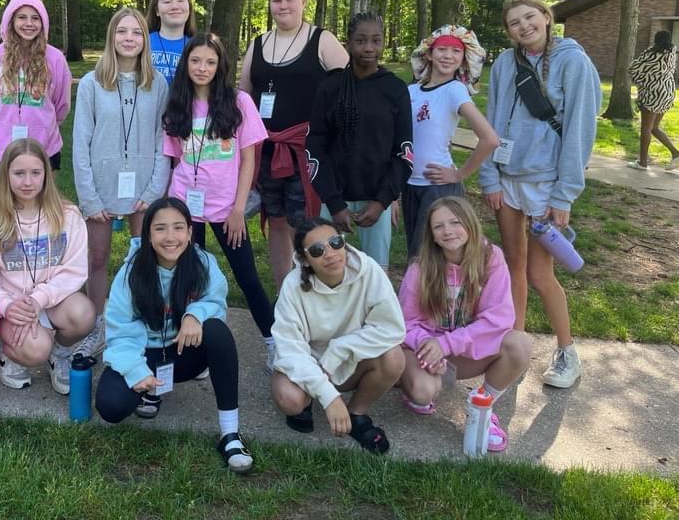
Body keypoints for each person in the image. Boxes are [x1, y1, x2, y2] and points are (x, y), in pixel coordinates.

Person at [479, 0, 601, 389]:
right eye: (514, 22)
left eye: (530, 17)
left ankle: (567, 352)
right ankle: (515, 351)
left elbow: (580, 130)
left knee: (538, 273)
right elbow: (492, 122)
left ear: (547, 17)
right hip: (507, 180)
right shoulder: (504, 63)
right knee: (512, 264)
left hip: (547, 185)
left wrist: (564, 195)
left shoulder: (572, 61)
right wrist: (490, 177)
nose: (524, 26)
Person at [95, 198, 254, 474]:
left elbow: (216, 302)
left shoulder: (203, 263)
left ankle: (230, 435)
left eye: (178, 227)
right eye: (160, 229)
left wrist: (195, 314)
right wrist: (136, 370)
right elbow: (120, 331)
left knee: (217, 332)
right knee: (111, 406)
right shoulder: (131, 272)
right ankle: (151, 390)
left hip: (184, 352)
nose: (170, 237)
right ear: (147, 235)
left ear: (190, 232)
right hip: (146, 353)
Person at [163, 33, 275, 368]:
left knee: (247, 277)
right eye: (196, 60)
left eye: (210, 62)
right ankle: (192, 347)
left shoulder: (239, 102)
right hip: (186, 206)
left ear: (220, 66)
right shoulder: (177, 103)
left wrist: (239, 209)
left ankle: (274, 342)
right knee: (188, 279)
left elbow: (249, 160)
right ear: (186, 63)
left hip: (227, 209)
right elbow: (174, 160)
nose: (202, 68)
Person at [239, 0, 349, 294]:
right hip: (267, 149)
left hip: (306, 150)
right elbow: (244, 95)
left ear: (303, 1)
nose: (283, 6)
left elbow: (349, 90)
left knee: (305, 224)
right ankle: (285, 292)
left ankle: (313, 290)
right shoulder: (259, 44)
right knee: (276, 221)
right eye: (277, 0)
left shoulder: (321, 40)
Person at [72, 7, 170, 358]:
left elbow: (162, 141)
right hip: (101, 185)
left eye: (137, 32)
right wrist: (89, 198)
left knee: (145, 257)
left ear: (145, 39)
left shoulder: (157, 84)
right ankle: (96, 325)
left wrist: (154, 190)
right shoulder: (91, 83)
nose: (129, 38)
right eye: (122, 31)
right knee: (97, 258)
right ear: (111, 37)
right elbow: (81, 143)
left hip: (143, 187)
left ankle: (141, 324)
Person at [397, 197, 531, 452]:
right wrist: (427, 345)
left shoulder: (490, 258)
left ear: (470, 223)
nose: (447, 231)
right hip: (427, 352)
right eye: (438, 226)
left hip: (464, 351)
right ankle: (411, 384)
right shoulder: (420, 268)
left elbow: (499, 319)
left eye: (455, 222)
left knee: (519, 344)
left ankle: (482, 406)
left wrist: (446, 344)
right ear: (431, 235)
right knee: (423, 393)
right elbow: (405, 322)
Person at [270, 217, 405, 454]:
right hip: (310, 362)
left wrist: (339, 349)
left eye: (335, 242)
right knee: (289, 399)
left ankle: (356, 413)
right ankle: (309, 400)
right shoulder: (292, 286)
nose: (330, 254)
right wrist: (329, 396)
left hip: (349, 359)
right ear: (305, 260)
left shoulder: (368, 270)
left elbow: (391, 328)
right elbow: (290, 350)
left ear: (344, 242)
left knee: (394, 358)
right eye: (317, 250)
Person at [0, 138, 95, 395]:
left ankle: (59, 353)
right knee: (37, 348)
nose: (28, 182)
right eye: (19, 173)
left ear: (46, 174)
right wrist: (7, 306)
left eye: (36, 173)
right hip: (11, 305)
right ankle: (7, 352)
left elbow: (74, 270)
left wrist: (39, 299)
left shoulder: (68, 216)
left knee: (84, 314)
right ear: (5, 175)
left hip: (52, 299)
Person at [306, 13, 413, 269]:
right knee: (328, 269)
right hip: (333, 200)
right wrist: (334, 203)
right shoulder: (330, 88)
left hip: (376, 201)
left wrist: (382, 201)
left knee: (375, 273)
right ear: (348, 43)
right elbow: (315, 147)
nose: (368, 48)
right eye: (361, 40)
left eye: (376, 41)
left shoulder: (395, 89)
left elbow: (403, 152)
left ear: (383, 42)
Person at [404, 25, 498, 257]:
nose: (448, 56)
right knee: (416, 254)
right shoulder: (411, 91)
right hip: (409, 186)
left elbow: (490, 139)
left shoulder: (455, 90)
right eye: (442, 49)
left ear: (464, 58)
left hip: (438, 188)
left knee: (437, 255)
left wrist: (459, 174)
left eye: (456, 51)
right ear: (429, 53)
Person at [0, 0, 71, 177]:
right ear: (11, 20)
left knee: (43, 197)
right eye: (22, 17)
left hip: (44, 146)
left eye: (35, 18)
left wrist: (44, 125)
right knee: (4, 196)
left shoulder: (55, 58)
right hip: (1, 147)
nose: (29, 23)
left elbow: (62, 104)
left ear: (43, 22)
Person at [627, 30, 678, 171]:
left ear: (656, 40)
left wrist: (641, 80)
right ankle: (676, 154)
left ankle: (643, 163)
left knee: (646, 128)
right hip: (667, 92)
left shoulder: (651, 53)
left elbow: (633, 68)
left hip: (652, 93)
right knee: (654, 128)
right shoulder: (672, 52)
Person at [146, 0, 197, 85]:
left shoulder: (197, 47)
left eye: (180, 1)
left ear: (189, 7)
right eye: (167, 2)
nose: (175, 6)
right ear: (156, 10)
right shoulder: (143, 42)